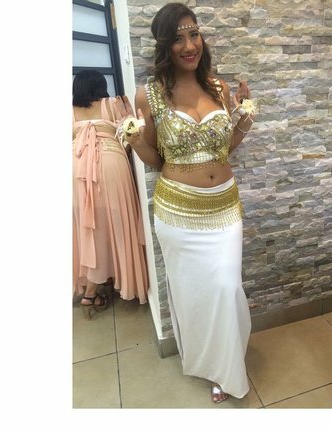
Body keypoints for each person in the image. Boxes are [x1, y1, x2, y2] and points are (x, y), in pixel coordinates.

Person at [126, 3, 256, 403]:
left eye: (194, 34)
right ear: (165, 45)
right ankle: (215, 368)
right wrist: (135, 142)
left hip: (224, 208)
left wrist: (245, 119)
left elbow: (225, 148)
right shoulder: (149, 94)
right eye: (178, 38)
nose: (189, 45)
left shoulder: (218, 88)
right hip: (179, 214)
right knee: (195, 293)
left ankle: (228, 362)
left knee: (226, 287)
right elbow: (156, 159)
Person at [73, 70, 149, 320]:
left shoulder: (69, 110)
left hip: (75, 169)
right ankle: (102, 285)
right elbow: (130, 136)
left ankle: (93, 282)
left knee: (87, 228)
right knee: (115, 222)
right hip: (109, 163)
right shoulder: (113, 103)